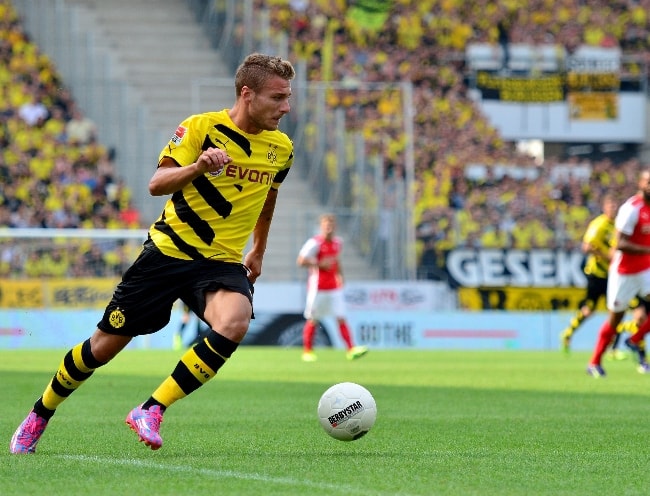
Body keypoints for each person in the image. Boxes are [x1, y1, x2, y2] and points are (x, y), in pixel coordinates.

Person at [9, 53, 296, 453]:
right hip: (167, 254)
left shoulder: (280, 148)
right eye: (278, 97)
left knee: (234, 322)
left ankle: (151, 408)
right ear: (247, 94)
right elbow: (157, 183)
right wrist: (197, 167)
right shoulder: (200, 128)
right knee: (101, 349)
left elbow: (268, 199)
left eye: (288, 98)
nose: (286, 107)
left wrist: (259, 250)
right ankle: (40, 413)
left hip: (221, 262)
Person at [587, 169, 650, 377]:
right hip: (624, 272)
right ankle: (594, 362)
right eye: (648, 182)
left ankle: (634, 340)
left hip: (645, 269)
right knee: (616, 319)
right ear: (640, 184)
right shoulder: (631, 209)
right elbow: (620, 243)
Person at [297, 213, 368, 362]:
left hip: (334, 288)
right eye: (325, 225)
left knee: (341, 317)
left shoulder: (337, 243)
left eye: (331, 225)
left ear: (335, 227)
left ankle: (351, 349)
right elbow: (301, 260)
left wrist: (340, 276)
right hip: (318, 288)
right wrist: (318, 264)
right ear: (321, 227)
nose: (328, 228)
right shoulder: (314, 243)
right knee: (313, 319)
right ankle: (307, 351)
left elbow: (337, 261)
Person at [561, 195, 618, 354]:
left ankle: (613, 348)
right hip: (596, 274)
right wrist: (606, 256)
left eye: (615, 205)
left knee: (616, 310)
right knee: (589, 310)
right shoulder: (598, 224)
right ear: (604, 207)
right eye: (610, 205)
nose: (613, 209)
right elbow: (586, 246)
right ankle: (568, 333)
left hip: (612, 275)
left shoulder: (618, 225)